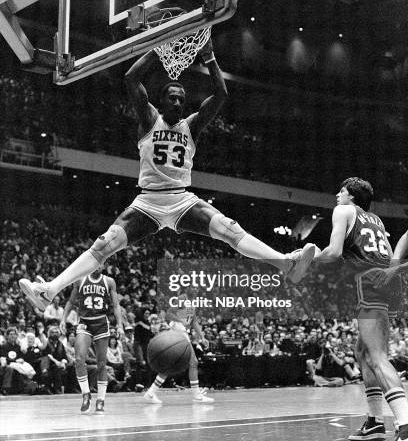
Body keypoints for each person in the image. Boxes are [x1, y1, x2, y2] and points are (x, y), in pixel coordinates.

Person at [19, 39, 315, 313]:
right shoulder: (149, 118)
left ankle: (285, 263)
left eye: (181, 99)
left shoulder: (192, 126)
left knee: (229, 230)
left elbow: (221, 93)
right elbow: (131, 79)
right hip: (147, 201)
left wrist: (209, 57)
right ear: (161, 101)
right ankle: (49, 291)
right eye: (172, 98)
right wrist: (158, 48)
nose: (177, 103)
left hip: (182, 199)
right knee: (103, 245)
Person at [314, 177, 408, 441]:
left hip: (369, 283)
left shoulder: (343, 211)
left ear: (351, 197)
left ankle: (404, 428)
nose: (336, 195)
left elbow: (333, 252)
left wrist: (304, 257)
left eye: (341, 191)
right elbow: (390, 255)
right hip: (387, 282)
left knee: (377, 356)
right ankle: (375, 423)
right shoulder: (376, 220)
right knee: (362, 350)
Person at [60, 268, 124, 414]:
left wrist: (120, 325)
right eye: (96, 263)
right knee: (78, 359)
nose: (99, 266)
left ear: (104, 265)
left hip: (102, 323)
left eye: (102, 264)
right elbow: (71, 301)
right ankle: (86, 395)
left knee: (101, 364)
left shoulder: (109, 281)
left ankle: (100, 400)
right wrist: (63, 319)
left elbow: (115, 305)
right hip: (84, 323)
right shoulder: (80, 279)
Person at [144, 292, 212, 403]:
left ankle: (151, 392)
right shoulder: (183, 298)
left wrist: (202, 337)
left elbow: (193, 321)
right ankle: (196, 395)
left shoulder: (193, 303)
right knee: (193, 362)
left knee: (169, 365)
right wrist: (180, 320)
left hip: (182, 334)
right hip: (176, 333)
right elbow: (168, 314)